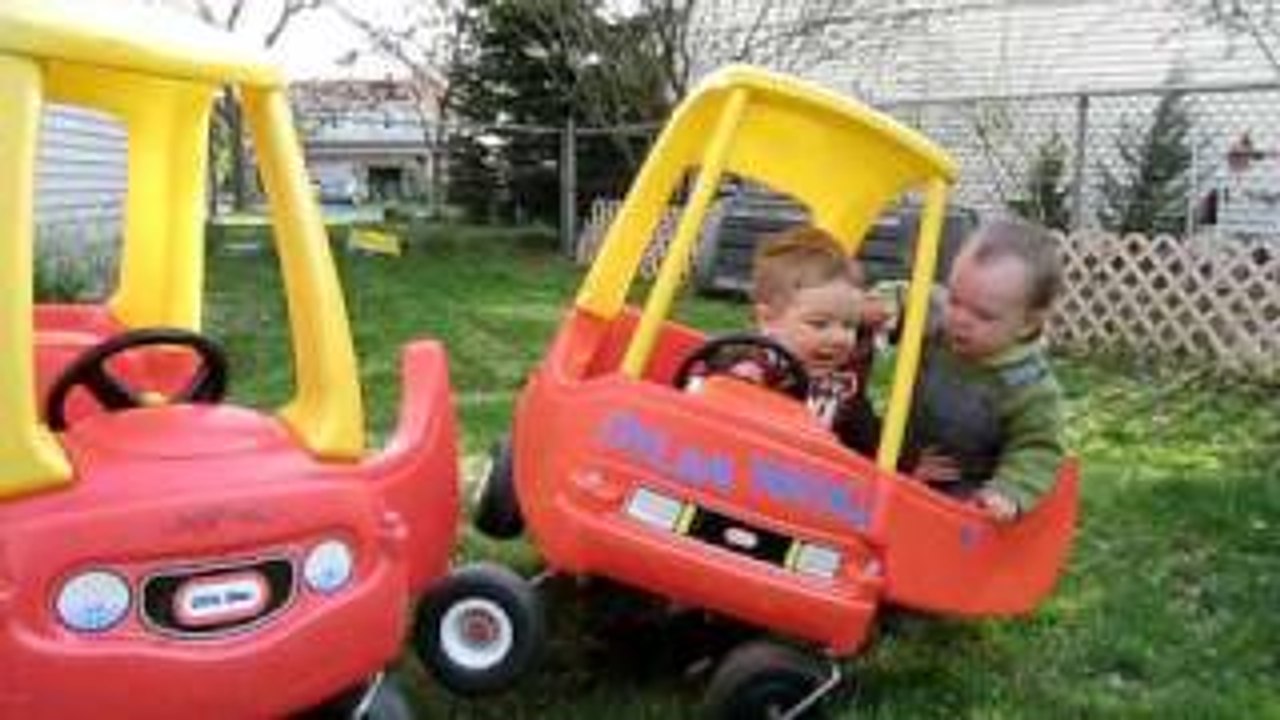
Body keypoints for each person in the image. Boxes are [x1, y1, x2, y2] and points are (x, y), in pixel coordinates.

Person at [897, 217, 1066, 522]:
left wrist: (1008, 492)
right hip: (904, 459)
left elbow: (1037, 448)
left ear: (1027, 323)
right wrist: (885, 306)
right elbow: (911, 294)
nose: (960, 319)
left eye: (983, 315)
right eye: (956, 300)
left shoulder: (1029, 386)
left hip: (969, 490)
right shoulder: (939, 319)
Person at [740, 224, 879, 453]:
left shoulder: (842, 386)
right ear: (768, 320)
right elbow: (702, 393)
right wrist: (735, 380)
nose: (838, 338)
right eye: (819, 324)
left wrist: (906, 464)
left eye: (849, 325)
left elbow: (866, 439)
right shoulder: (749, 362)